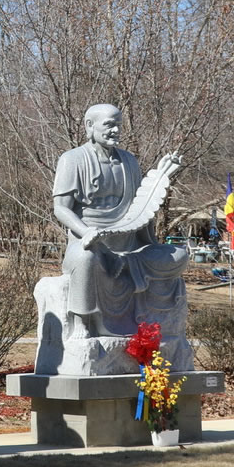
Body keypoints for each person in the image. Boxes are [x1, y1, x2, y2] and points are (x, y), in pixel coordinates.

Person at [51, 104, 188, 338]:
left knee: (178, 255)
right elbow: (61, 209)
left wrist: (161, 176)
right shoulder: (72, 159)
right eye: (109, 125)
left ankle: (126, 266)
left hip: (128, 245)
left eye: (118, 125)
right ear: (89, 126)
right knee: (85, 259)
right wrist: (85, 232)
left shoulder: (128, 161)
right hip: (90, 244)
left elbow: (139, 208)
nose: (115, 130)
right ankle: (83, 322)